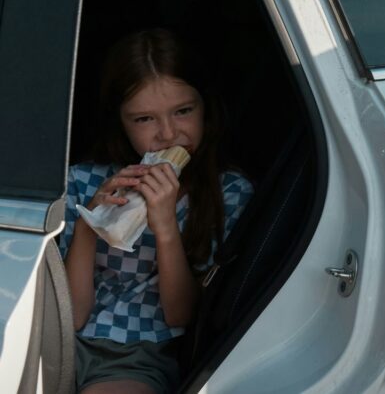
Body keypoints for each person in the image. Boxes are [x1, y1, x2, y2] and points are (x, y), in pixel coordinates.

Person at [61, 29, 254, 393]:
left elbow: (180, 314)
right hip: (57, 339)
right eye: (144, 119)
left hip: (139, 350)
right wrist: (91, 223)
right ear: (120, 122)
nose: (168, 134)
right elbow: (71, 315)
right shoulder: (83, 181)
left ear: (205, 108)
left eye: (183, 111)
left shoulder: (226, 192)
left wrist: (165, 225)